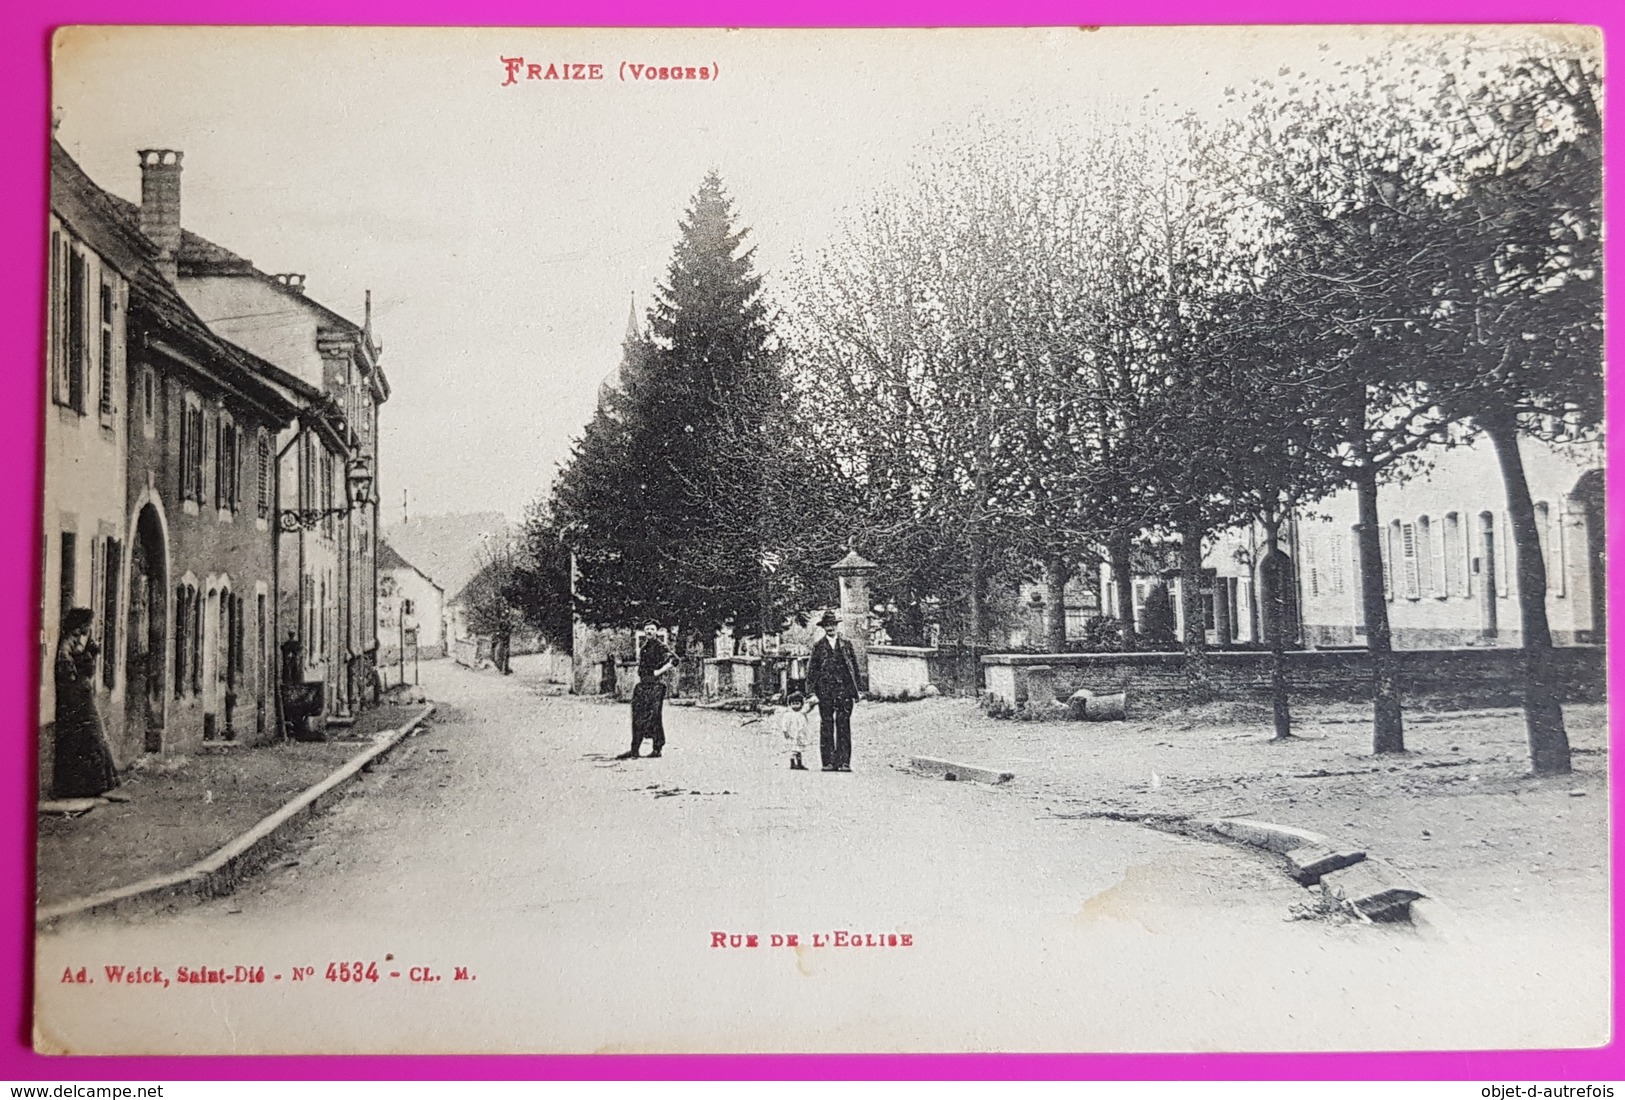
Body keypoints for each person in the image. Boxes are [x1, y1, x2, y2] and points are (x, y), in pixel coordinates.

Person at [52, 607, 120, 799]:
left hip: (83, 693)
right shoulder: (68, 641)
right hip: (75, 696)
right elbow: (65, 666)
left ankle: (95, 784)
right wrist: (79, 669)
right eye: (87, 624)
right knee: (86, 735)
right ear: (80, 624)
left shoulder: (80, 640)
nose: (89, 627)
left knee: (93, 733)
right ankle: (82, 786)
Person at [805, 610, 861, 772]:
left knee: (843, 724)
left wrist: (858, 690)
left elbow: (854, 668)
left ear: (836, 626)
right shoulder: (818, 647)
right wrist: (811, 693)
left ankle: (844, 762)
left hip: (844, 690)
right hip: (825, 691)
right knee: (827, 724)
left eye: (832, 625)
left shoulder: (846, 644)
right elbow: (812, 671)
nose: (830, 628)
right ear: (823, 628)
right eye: (827, 625)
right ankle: (828, 762)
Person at [618, 621, 675, 760]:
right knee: (637, 717)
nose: (649, 631)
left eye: (652, 629)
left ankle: (657, 748)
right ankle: (634, 750)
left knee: (654, 717)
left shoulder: (660, 646)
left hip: (655, 686)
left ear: (656, 631)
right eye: (647, 629)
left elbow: (674, 660)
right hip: (643, 684)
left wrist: (658, 672)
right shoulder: (645, 647)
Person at [769, 692, 814, 771]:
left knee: (799, 749)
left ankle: (799, 763)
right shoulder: (788, 714)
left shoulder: (801, 713)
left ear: (801, 704)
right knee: (793, 749)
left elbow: (808, 709)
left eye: (797, 703)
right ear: (790, 704)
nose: (795, 706)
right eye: (793, 703)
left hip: (800, 734)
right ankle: (792, 763)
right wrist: (785, 731)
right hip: (792, 734)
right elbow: (784, 724)